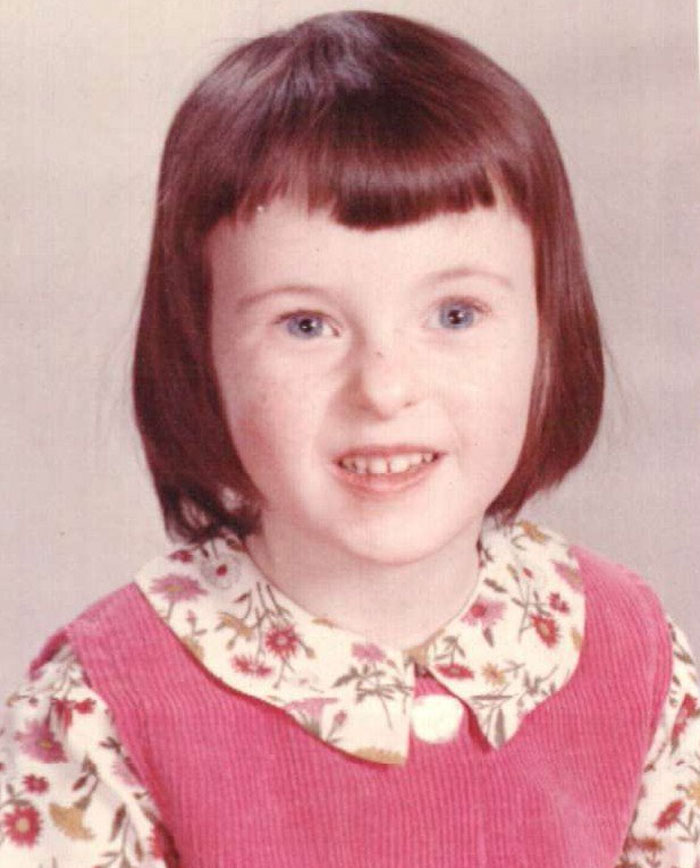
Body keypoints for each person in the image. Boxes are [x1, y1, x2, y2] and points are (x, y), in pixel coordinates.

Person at [0, 10, 698, 867]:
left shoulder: (634, 652)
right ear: (199, 354)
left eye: (455, 314)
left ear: (551, 338)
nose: (384, 388)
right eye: (305, 324)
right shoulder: (103, 709)